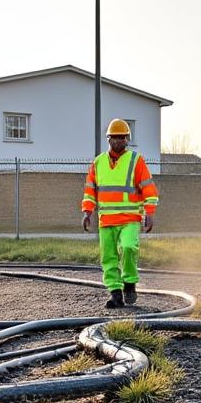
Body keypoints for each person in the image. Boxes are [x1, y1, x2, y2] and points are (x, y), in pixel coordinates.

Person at [81, 119, 159, 307]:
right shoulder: (98, 163)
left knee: (129, 247)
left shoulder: (135, 160)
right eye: (115, 137)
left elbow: (148, 188)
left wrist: (149, 212)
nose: (118, 141)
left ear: (127, 139)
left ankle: (130, 284)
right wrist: (87, 211)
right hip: (106, 220)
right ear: (109, 139)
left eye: (122, 137)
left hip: (130, 218)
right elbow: (90, 190)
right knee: (108, 256)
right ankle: (115, 293)